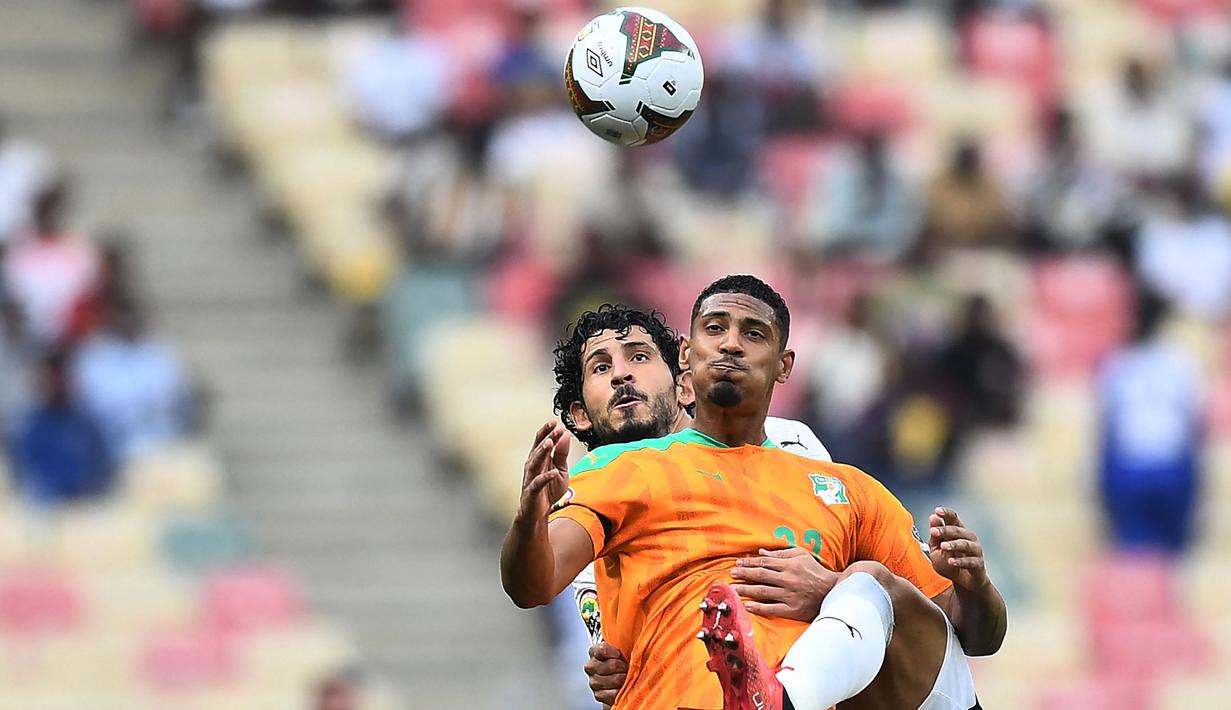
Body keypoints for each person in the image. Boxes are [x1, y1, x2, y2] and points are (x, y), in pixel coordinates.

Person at [503, 276, 1006, 709]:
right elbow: (535, 586)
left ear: (784, 365)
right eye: (715, 329)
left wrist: (973, 583)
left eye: (753, 333)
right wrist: (529, 518)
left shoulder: (829, 475)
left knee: (869, 582)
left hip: (822, 682)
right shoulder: (616, 471)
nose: (730, 345)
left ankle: (778, 700)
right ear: (687, 355)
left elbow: (968, 633)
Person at [1097, 288, 1201, 554]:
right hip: (1157, 465)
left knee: (1147, 558)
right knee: (1156, 559)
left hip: (1142, 465)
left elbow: (1107, 427)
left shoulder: (1119, 363)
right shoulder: (1178, 363)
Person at [8, 350, 114, 505]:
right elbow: (26, 478)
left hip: (88, 506)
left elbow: (103, 467)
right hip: (48, 510)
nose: (55, 385)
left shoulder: (87, 422)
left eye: (60, 378)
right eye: (49, 380)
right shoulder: (26, 429)